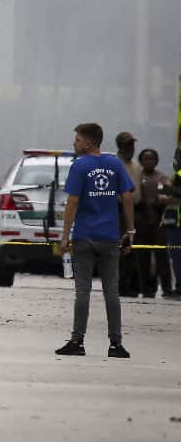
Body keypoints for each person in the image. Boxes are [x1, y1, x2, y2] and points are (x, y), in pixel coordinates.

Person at [57, 123, 135, 358]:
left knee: (83, 290)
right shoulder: (115, 164)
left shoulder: (80, 166)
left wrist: (65, 236)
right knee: (112, 290)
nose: (74, 143)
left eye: (78, 140)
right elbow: (128, 197)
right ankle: (116, 344)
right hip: (110, 237)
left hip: (85, 237)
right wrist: (130, 231)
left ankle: (77, 341)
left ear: (88, 143)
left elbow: (72, 202)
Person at [135, 148, 173, 297]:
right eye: (145, 158)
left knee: (161, 258)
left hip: (158, 223)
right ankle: (145, 288)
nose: (148, 161)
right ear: (141, 161)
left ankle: (167, 288)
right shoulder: (137, 177)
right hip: (141, 223)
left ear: (156, 161)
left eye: (151, 158)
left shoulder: (162, 178)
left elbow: (170, 195)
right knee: (142, 258)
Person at [115, 131, 142, 297]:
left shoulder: (136, 166)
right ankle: (118, 284)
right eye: (127, 144)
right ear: (120, 146)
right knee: (120, 248)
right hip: (118, 211)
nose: (131, 148)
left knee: (133, 248)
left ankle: (130, 284)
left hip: (135, 210)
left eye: (132, 144)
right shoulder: (114, 164)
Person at [161, 147, 181, 300]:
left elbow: (177, 195)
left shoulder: (179, 175)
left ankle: (180, 289)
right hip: (172, 221)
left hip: (177, 223)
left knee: (177, 256)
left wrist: (167, 189)